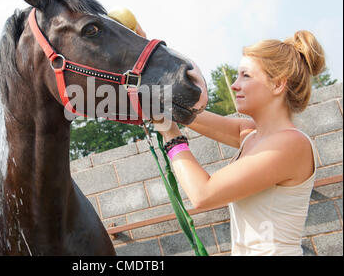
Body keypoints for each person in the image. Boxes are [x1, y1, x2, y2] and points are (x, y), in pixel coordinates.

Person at [139, 28, 325, 255]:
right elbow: (185, 111)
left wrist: (171, 136)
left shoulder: (290, 144)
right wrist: (143, 50)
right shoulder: (250, 134)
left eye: (246, 76)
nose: (234, 85)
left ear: (277, 85)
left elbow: (203, 194)